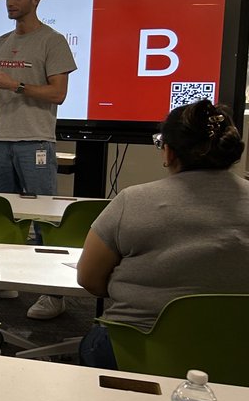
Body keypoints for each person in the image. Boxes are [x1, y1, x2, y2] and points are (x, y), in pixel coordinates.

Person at [76, 100, 249, 368]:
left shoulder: (132, 201)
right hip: (238, 353)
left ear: (168, 153)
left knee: (92, 345)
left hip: (136, 352)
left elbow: (89, 279)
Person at [0, 0, 76, 321]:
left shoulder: (53, 40)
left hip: (35, 141)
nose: (10, 3)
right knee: (5, 217)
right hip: (2, 138)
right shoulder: (1, 42)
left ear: (35, 0)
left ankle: (54, 294)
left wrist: (17, 85)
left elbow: (58, 93)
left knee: (44, 219)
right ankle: (7, 281)